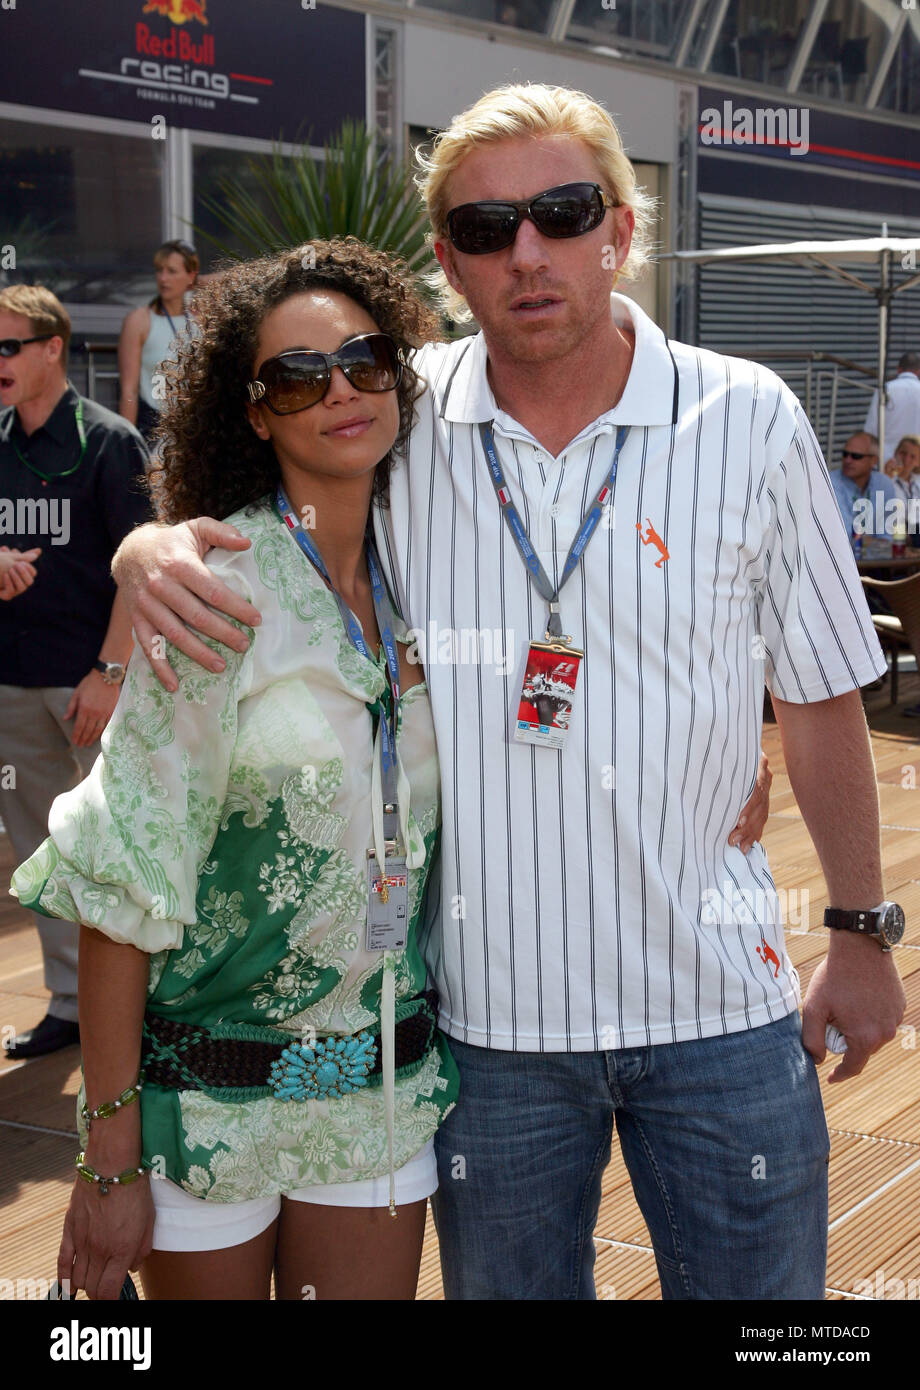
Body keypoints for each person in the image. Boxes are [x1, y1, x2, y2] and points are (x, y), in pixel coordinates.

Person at [109, 82, 905, 1302]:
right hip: (488, 1037)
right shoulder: (393, 414)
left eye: (561, 212)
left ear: (619, 231)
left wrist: (856, 931)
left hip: (720, 1005)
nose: (525, 253)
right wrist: (144, 548)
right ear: (446, 261)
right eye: (485, 230)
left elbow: (818, 695)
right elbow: (259, 507)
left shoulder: (748, 419)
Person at [11, 239, 460, 1301]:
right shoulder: (213, 594)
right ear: (253, 413)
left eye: (362, 360)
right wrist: (106, 1155)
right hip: (205, 1097)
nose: (338, 391)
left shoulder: (440, 568)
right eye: (296, 378)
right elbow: (122, 888)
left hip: (379, 1089)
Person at [0, 284, 151, 1058]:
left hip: (90, 684)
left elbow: (142, 571)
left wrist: (111, 673)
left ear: (53, 348)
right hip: (13, 684)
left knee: (114, 852)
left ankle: (143, 1008)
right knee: (38, 857)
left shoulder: (110, 441)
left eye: (8, 346)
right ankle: (69, 1005)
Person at [118, 239, 199, 444]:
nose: (163, 279)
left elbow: (233, 280)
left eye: (172, 271)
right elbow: (129, 389)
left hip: (194, 426)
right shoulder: (139, 320)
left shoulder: (200, 320)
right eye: (159, 270)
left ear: (190, 275)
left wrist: (197, 281)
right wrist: (126, 439)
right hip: (153, 426)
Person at [830, 431, 900, 549]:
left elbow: (887, 535)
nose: (848, 460)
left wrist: (867, 541)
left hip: (877, 562)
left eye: (856, 456)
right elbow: (845, 537)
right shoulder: (831, 482)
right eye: (845, 454)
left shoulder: (883, 484)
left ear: (873, 461)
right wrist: (873, 542)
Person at [864, 351, 920, 455]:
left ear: (899, 369)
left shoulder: (885, 389)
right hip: (916, 460)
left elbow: (870, 430)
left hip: (887, 458)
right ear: (918, 371)